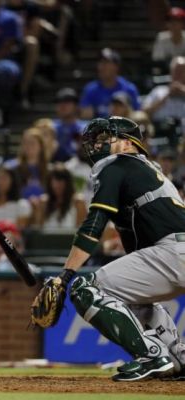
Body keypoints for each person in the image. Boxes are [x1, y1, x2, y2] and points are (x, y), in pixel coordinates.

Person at [39, 116, 185, 381]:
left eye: (107, 139)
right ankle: (177, 356)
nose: (98, 145)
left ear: (129, 145)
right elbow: (135, 246)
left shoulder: (118, 164)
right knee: (133, 298)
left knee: (86, 289)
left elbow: (94, 223)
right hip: (174, 251)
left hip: (174, 251)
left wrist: (65, 276)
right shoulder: (142, 172)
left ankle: (151, 355)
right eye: (96, 140)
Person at [79, 48, 140, 120]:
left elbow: (137, 114)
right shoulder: (91, 89)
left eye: (105, 63)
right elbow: (84, 115)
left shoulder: (129, 89)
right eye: (100, 63)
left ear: (116, 66)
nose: (101, 67)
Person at [33, 164, 87, 231]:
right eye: (55, 181)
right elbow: (38, 229)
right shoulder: (43, 202)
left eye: (61, 181)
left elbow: (81, 231)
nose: (57, 185)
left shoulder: (78, 202)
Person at [52, 87, 86, 163]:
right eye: (59, 102)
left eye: (67, 102)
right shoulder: (50, 128)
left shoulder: (86, 127)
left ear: (76, 106)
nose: (62, 105)